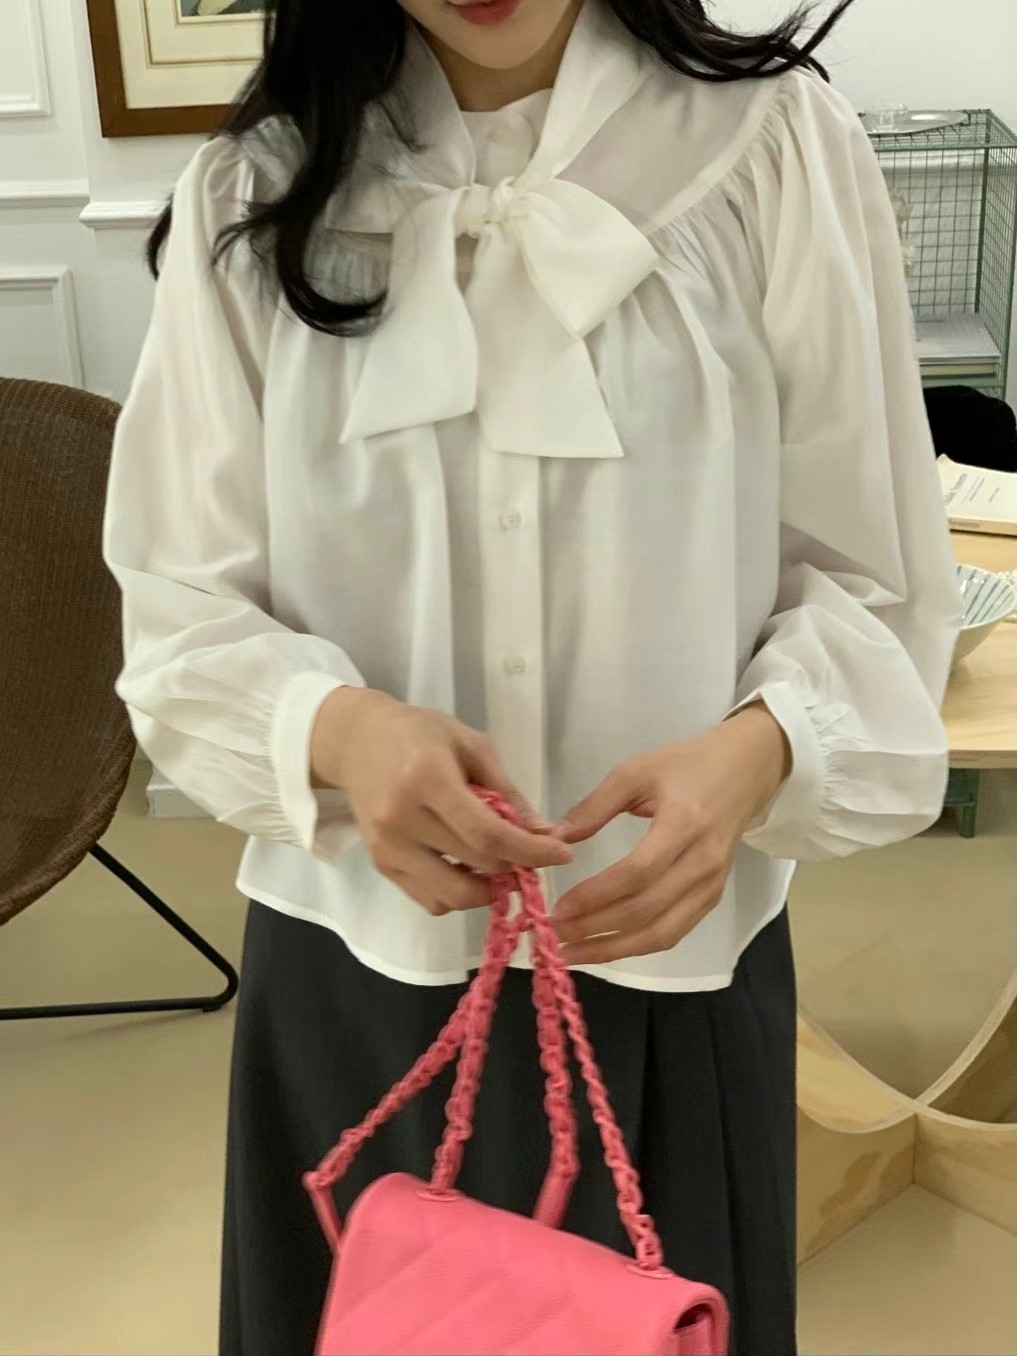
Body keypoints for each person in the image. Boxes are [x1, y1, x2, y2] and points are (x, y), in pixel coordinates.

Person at [104, 0, 962, 1351]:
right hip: (357, 966)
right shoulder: (252, 186)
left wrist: (760, 748)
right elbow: (177, 599)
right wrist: (335, 730)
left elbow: (877, 569)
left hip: (666, 958)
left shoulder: (772, 149)